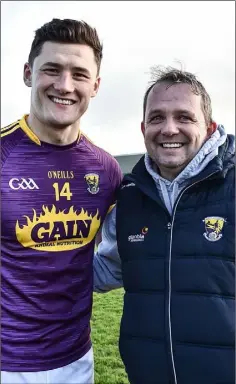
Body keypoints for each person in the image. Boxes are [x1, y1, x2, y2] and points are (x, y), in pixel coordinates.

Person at [94, 67, 235, 384]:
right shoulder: (129, 197)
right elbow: (109, 268)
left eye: (184, 117)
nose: (169, 129)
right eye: (157, 118)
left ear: (209, 127)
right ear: (144, 127)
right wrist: (32, 263)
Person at [1, 18, 122, 384]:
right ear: (28, 73)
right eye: (52, 70)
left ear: (95, 86)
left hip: (76, 360)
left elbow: (116, 257)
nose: (65, 86)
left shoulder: (106, 170)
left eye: (79, 74)